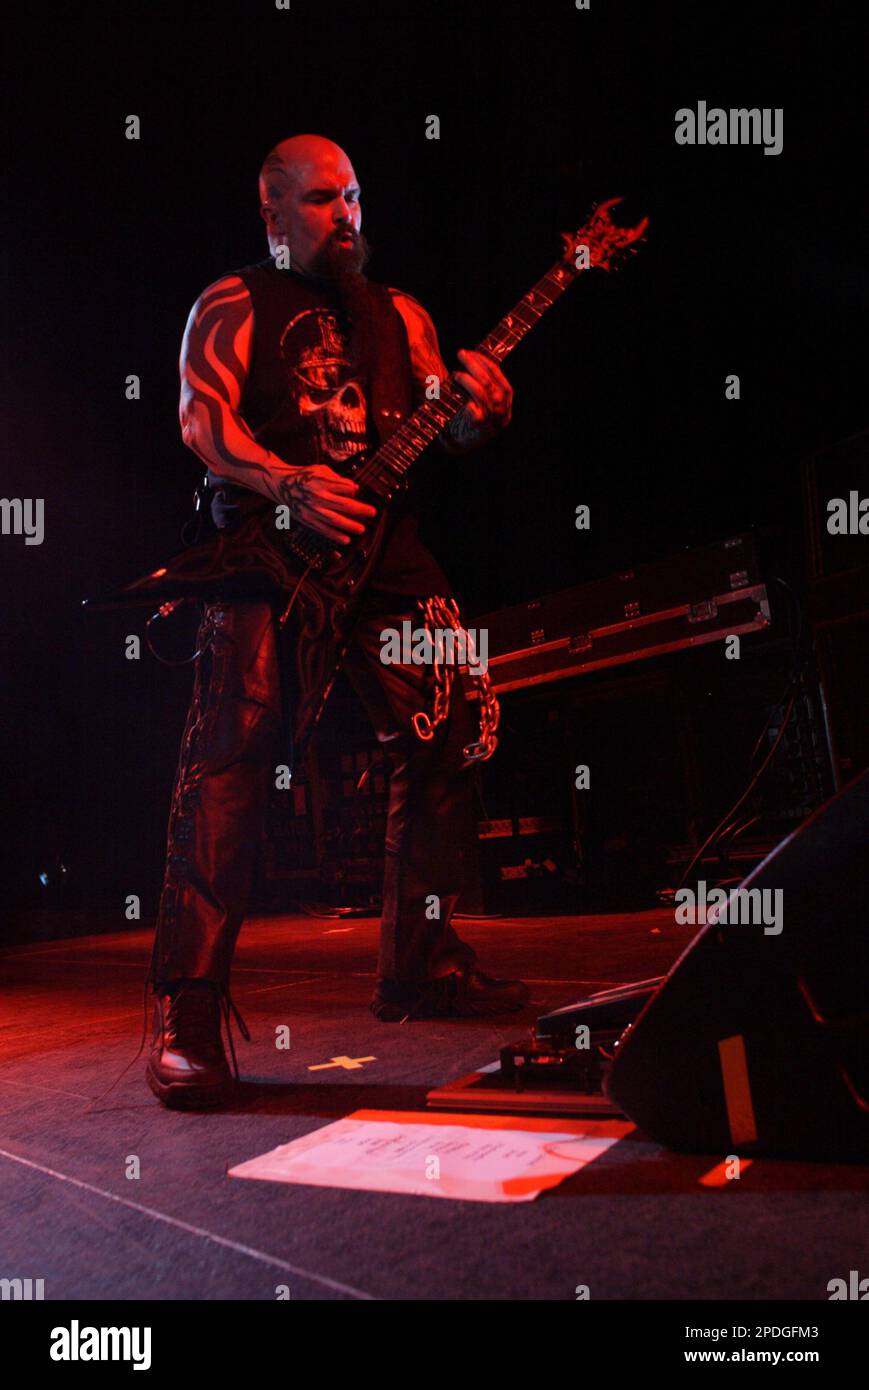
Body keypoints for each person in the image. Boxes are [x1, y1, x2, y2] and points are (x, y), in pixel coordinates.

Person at [145, 134, 529, 1109]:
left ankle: (419, 964)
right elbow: (201, 419)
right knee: (230, 761)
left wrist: (484, 410)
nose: (346, 215)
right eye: (321, 199)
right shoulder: (232, 303)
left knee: (451, 727)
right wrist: (281, 480)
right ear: (272, 213)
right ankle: (188, 1009)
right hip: (272, 550)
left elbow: (454, 423)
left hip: (385, 555)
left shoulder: (401, 316)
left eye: (354, 196)